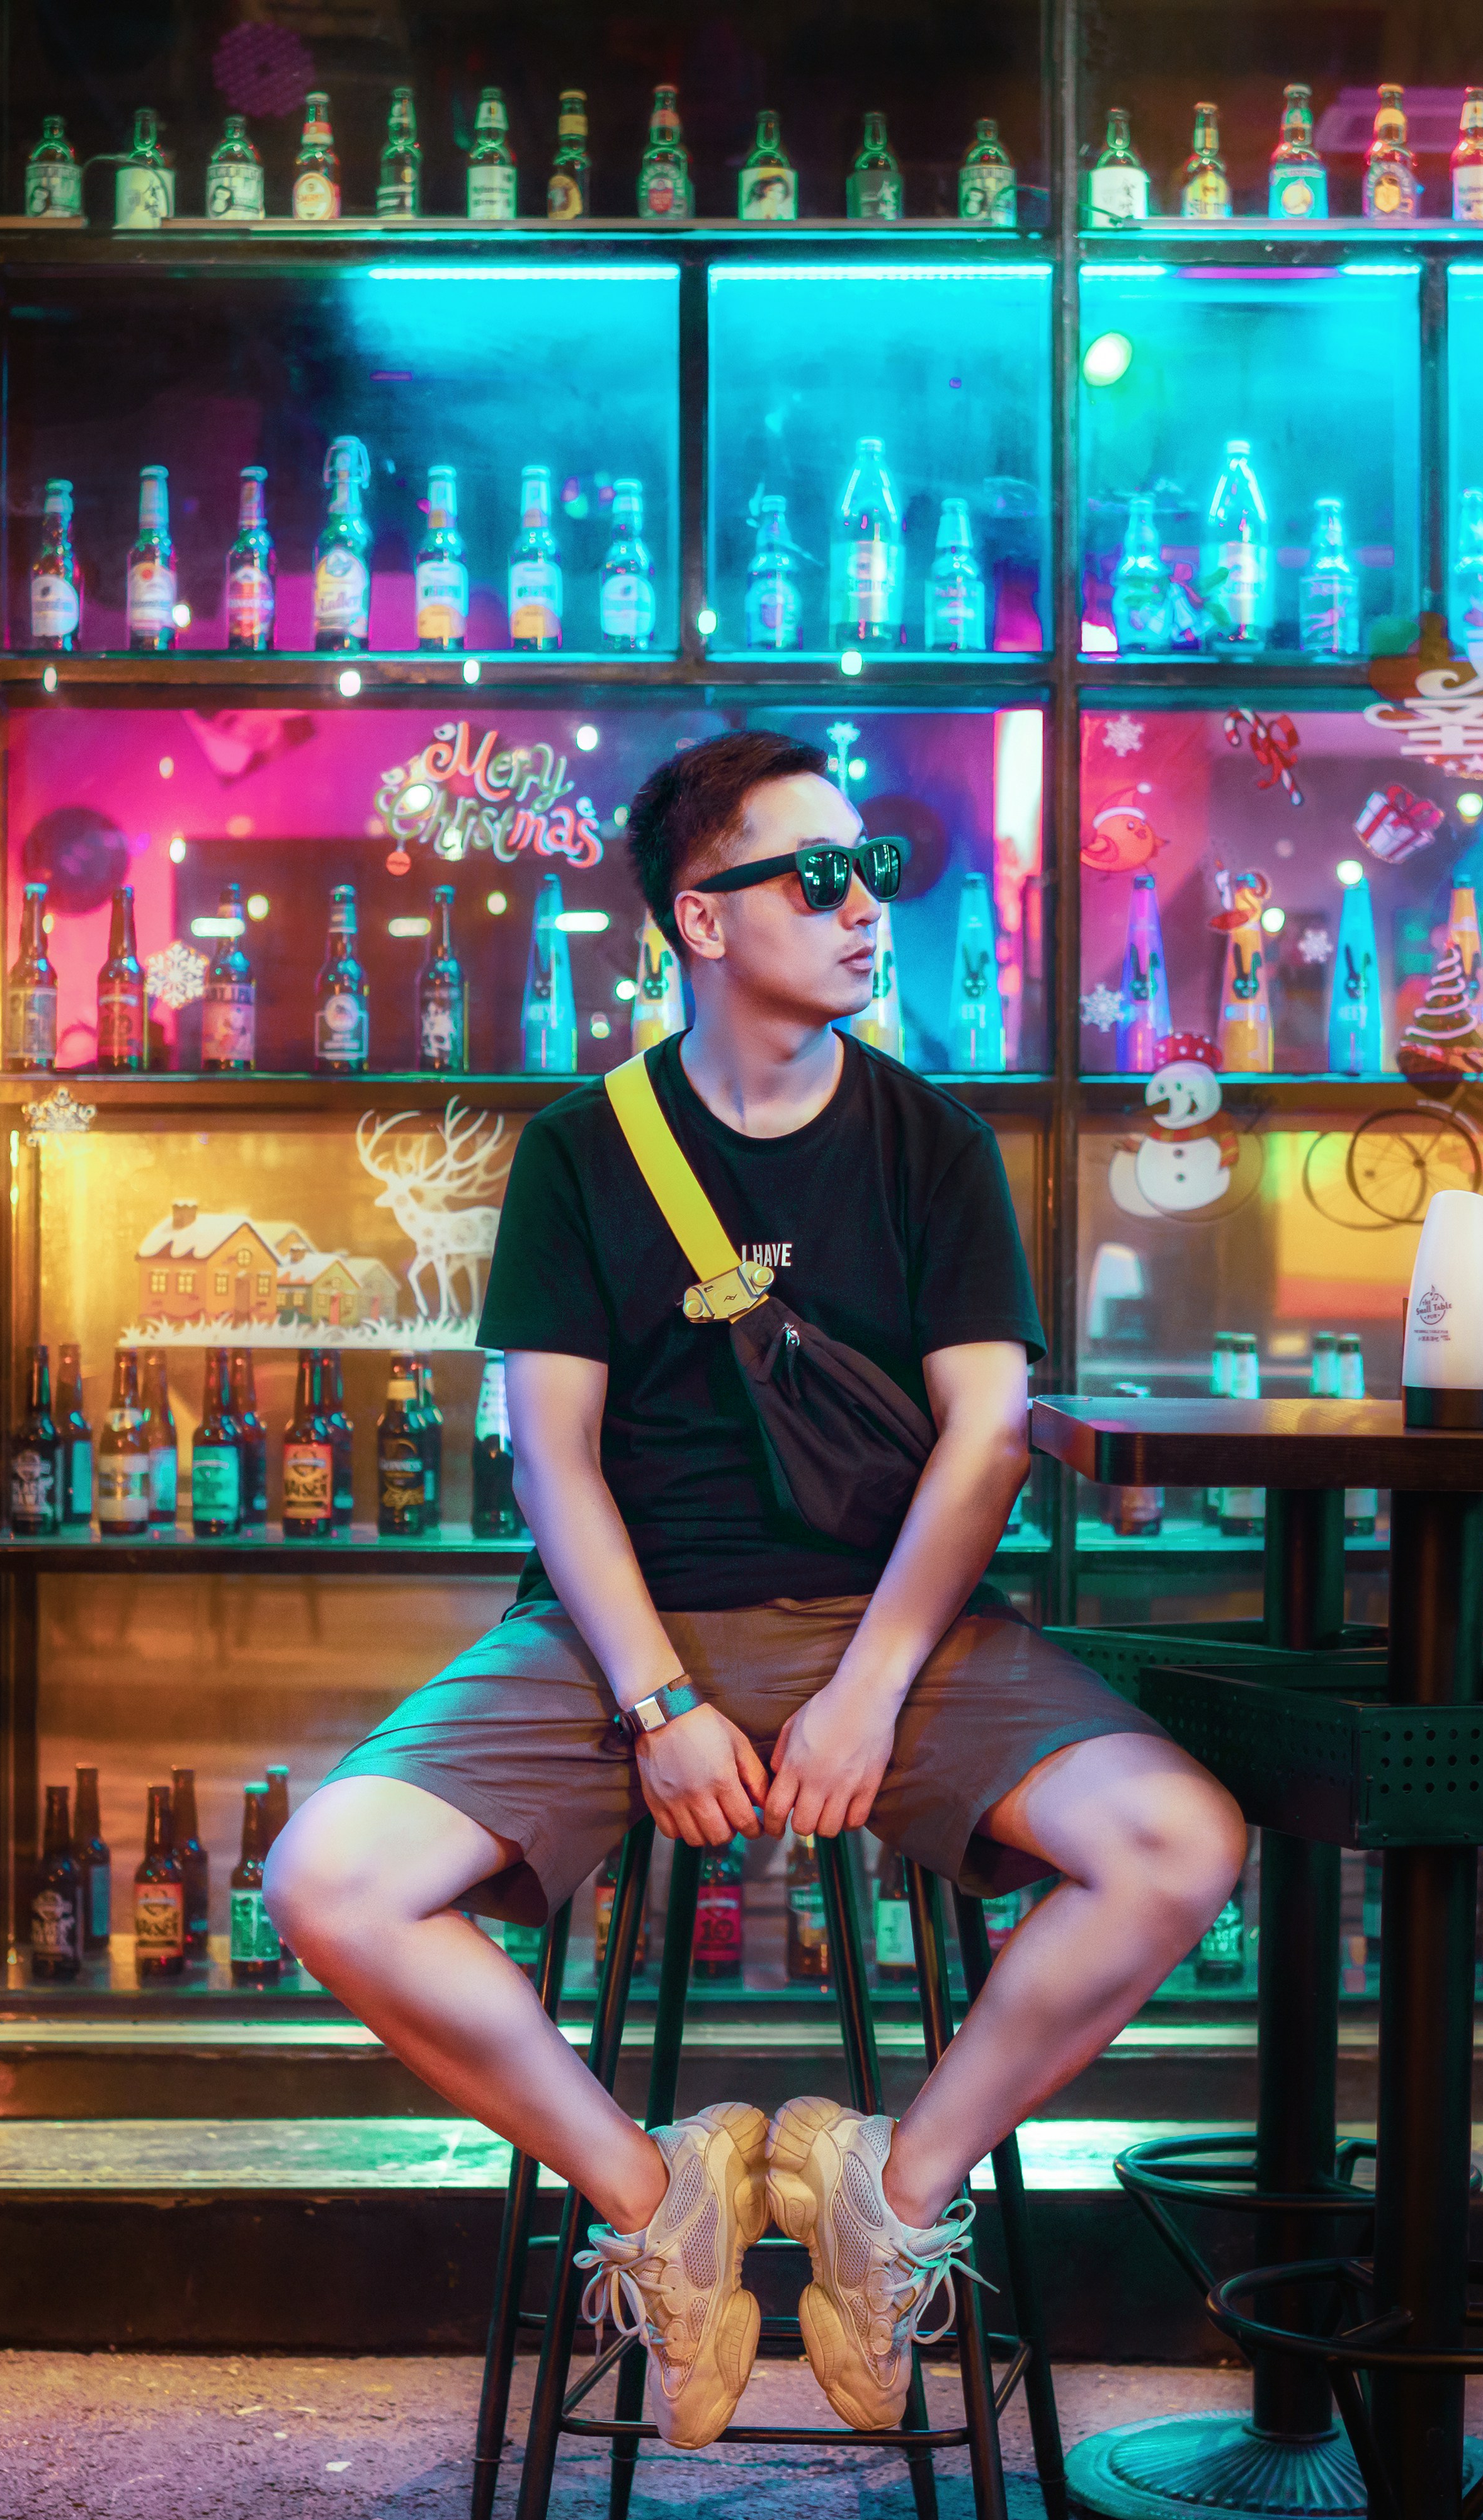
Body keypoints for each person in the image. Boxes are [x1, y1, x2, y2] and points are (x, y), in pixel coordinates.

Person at [267, 729, 1247, 2447]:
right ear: (703, 921)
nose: (866, 908)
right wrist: (656, 1697)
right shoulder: (585, 1149)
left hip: (895, 1633)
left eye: (876, 872)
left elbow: (985, 1439)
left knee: (1183, 1841)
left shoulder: (931, 1142)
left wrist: (870, 1687)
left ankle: (893, 2190)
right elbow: (555, 1460)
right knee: (327, 1881)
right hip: (616, 1638)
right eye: (819, 876)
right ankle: (660, 2204)